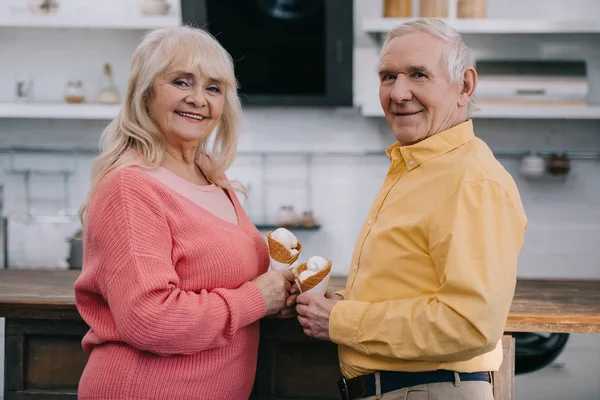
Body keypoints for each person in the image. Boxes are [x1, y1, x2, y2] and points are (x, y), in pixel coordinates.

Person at [296, 18, 527, 400]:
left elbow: (469, 324)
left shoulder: (472, 181)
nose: (398, 93)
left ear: (464, 87)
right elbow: (409, 288)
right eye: (388, 76)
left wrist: (340, 320)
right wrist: (332, 305)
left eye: (418, 75)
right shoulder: (419, 167)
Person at [74, 26, 297, 400]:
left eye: (213, 88)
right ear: (145, 92)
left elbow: (227, 283)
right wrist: (257, 298)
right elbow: (150, 318)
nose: (198, 99)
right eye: (181, 82)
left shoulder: (211, 174)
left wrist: (279, 294)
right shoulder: (131, 186)